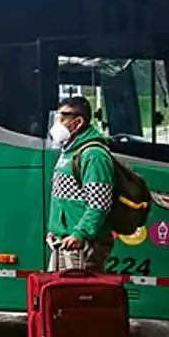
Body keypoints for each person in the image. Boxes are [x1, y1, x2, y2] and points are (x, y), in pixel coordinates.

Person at [46, 96, 116, 272]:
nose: (58, 123)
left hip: (83, 246)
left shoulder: (94, 155)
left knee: (80, 296)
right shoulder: (69, 151)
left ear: (77, 122)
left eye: (63, 118)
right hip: (64, 242)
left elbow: (99, 204)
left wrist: (80, 234)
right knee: (62, 296)